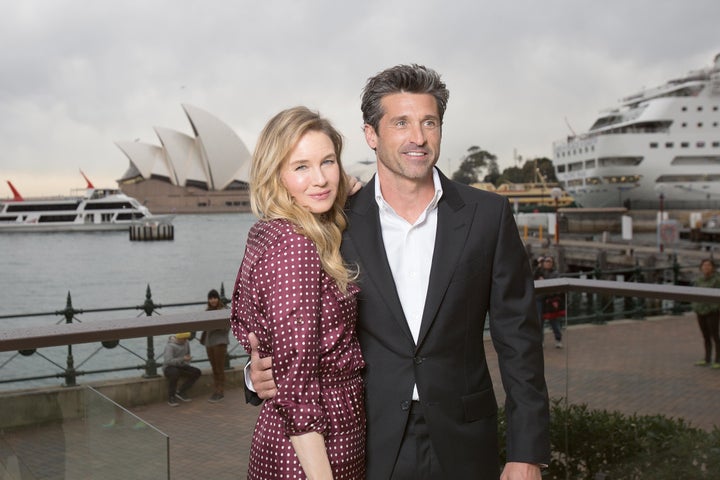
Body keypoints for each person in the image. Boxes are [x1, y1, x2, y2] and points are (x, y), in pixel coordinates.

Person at [248, 65, 550, 479]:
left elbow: (520, 341)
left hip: (465, 440)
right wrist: (254, 373)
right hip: (365, 441)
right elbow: (279, 316)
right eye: (401, 123)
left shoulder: (488, 216)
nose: (418, 138)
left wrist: (526, 452)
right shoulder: (335, 222)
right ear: (371, 135)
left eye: (430, 122)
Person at [230, 106, 366, 479]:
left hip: (298, 435)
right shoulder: (296, 245)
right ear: (276, 174)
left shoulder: (269, 231)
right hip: (316, 447)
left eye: (328, 162)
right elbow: (297, 385)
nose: (320, 179)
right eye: (301, 166)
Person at [200, 288, 230, 403]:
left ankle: (220, 391)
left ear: (218, 299)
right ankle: (216, 389)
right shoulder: (207, 311)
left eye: (214, 298)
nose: (213, 300)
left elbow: (226, 327)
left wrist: (213, 325)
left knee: (219, 368)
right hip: (209, 343)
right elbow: (204, 326)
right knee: (214, 368)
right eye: (211, 298)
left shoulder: (224, 310)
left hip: (220, 342)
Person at [691, 258, 720, 369]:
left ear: (712, 267)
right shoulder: (699, 280)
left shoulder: (717, 280)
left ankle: (718, 359)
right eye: (704, 265)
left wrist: (713, 307)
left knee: (715, 335)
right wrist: (695, 306)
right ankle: (707, 358)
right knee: (705, 335)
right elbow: (694, 294)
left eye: (708, 265)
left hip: (712, 311)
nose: (706, 267)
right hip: (700, 310)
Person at [163, 332, 201, 407]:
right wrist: (182, 359)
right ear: (179, 338)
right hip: (169, 367)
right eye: (184, 339)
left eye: (186, 338)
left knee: (196, 372)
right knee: (174, 374)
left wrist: (187, 360)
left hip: (182, 365)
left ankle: (181, 391)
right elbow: (168, 361)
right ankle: (171, 397)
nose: (185, 340)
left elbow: (187, 354)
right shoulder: (170, 346)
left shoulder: (186, 342)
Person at [534, 256, 564, 348]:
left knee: (553, 321)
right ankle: (540, 341)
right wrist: (538, 265)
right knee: (539, 321)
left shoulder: (555, 273)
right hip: (539, 299)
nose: (547, 263)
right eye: (545, 261)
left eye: (549, 261)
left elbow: (555, 286)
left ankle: (558, 339)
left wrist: (544, 281)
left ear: (552, 263)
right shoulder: (539, 271)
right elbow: (532, 276)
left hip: (550, 300)